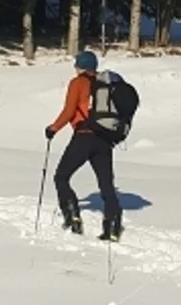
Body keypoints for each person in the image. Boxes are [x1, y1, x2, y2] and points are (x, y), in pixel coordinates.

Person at [45, 51, 124, 241]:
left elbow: (70, 110)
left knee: (61, 177)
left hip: (83, 136)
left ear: (80, 66)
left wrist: (53, 128)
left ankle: (72, 217)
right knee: (106, 184)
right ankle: (112, 227)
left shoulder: (78, 83)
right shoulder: (104, 84)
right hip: (104, 139)